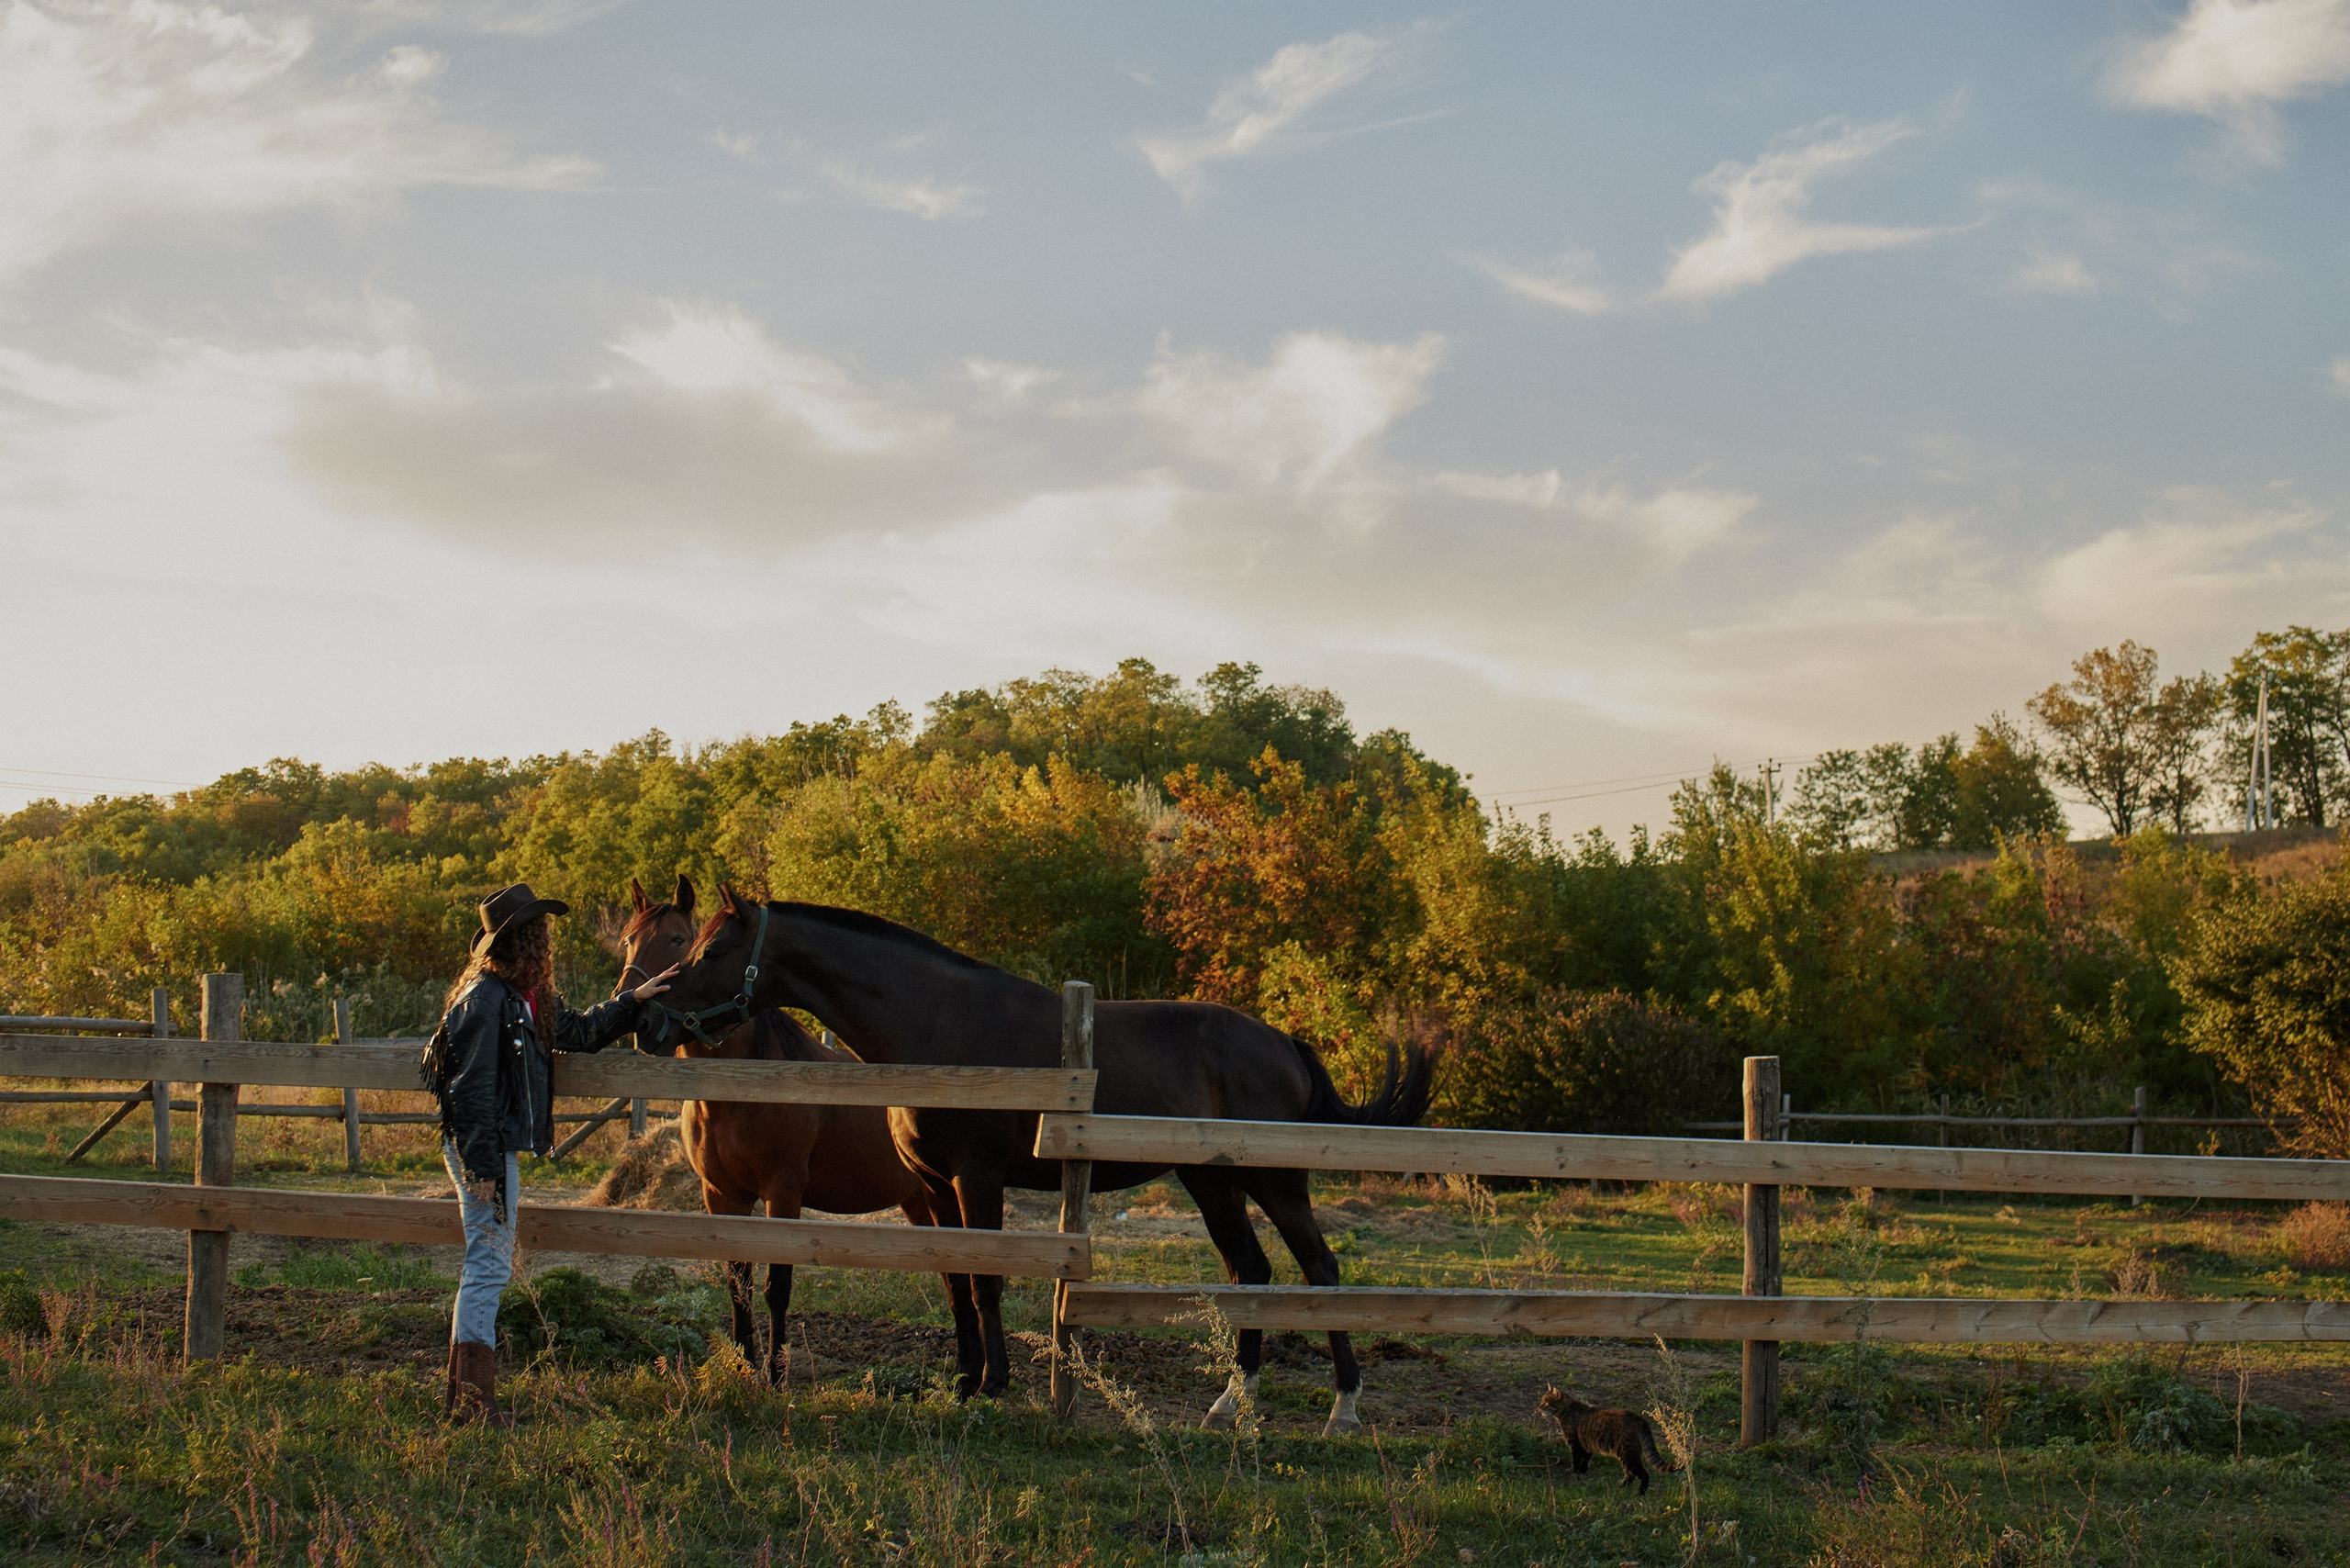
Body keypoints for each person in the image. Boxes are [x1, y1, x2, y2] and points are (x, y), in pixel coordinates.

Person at [430, 882, 677, 1421]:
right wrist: (485, 1170)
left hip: (492, 1147)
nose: (548, 943)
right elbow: (468, 1093)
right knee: (489, 1265)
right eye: (541, 933)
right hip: (483, 1149)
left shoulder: (525, 996)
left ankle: (467, 1401)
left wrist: (632, 1000)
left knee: (487, 1262)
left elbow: (579, 1032)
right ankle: (472, 1404)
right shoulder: (486, 998)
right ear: (523, 940)